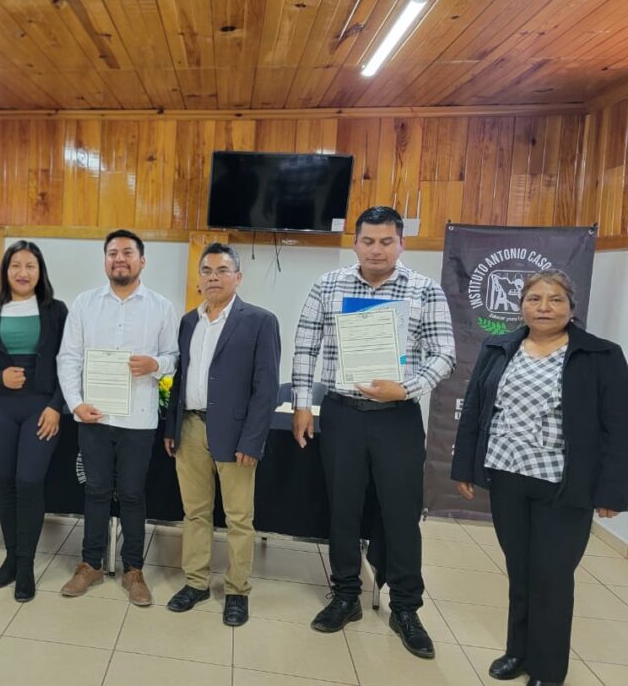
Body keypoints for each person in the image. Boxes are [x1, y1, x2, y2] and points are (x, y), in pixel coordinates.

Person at [291, 206, 455, 658]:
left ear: (401, 244)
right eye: (368, 241)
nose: (376, 250)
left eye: (386, 241)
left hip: (397, 417)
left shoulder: (425, 289)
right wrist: (303, 404)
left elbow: (444, 354)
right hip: (341, 412)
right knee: (342, 508)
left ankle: (405, 607)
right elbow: (305, 345)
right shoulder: (328, 285)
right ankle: (346, 595)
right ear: (355, 243)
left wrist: (407, 387)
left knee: (401, 513)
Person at [452, 271, 628, 686]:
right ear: (521, 306)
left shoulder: (601, 355)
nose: (544, 307)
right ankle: (518, 651)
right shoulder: (498, 347)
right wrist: (464, 466)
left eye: (555, 299)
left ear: (572, 307)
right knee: (521, 571)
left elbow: (618, 427)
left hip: (564, 485)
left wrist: (612, 491)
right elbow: (477, 407)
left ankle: (548, 671)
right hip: (507, 475)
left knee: (552, 577)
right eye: (534, 299)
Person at [57, 229, 179, 606]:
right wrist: (76, 404)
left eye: (127, 252)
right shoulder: (85, 303)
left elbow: (174, 357)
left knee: (131, 494)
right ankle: (90, 564)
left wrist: (156, 364)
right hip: (93, 417)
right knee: (94, 491)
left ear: (142, 260)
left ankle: (133, 570)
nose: (119, 259)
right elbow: (68, 357)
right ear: (105, 261)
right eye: (112, 253)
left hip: (138, 421)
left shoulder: (161, 307)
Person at [162, 243, 280, 627]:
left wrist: (252, 440)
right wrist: (171, 427)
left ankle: (236, 590)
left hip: (235, 433)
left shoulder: (260, 321)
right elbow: (179, 378)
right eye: (207, 271)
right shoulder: (188, 322)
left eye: (222, 270)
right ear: (199, 278)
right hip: (190, 428)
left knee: (238, 518)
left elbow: (266, 388)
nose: (214, 277)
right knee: (194, 512)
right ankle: (195, 583)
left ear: (237, 277)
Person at [0, 241, 68, 602]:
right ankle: (10, 558)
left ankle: (26, 566)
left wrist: (56, 406)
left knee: (29, 482)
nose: (23, 273)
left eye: (30, 266)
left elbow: (70, 361)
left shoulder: (56, 311)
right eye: (15, 266)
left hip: (42, 408)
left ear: (40, 272)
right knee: (5, 483)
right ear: (5, 271)